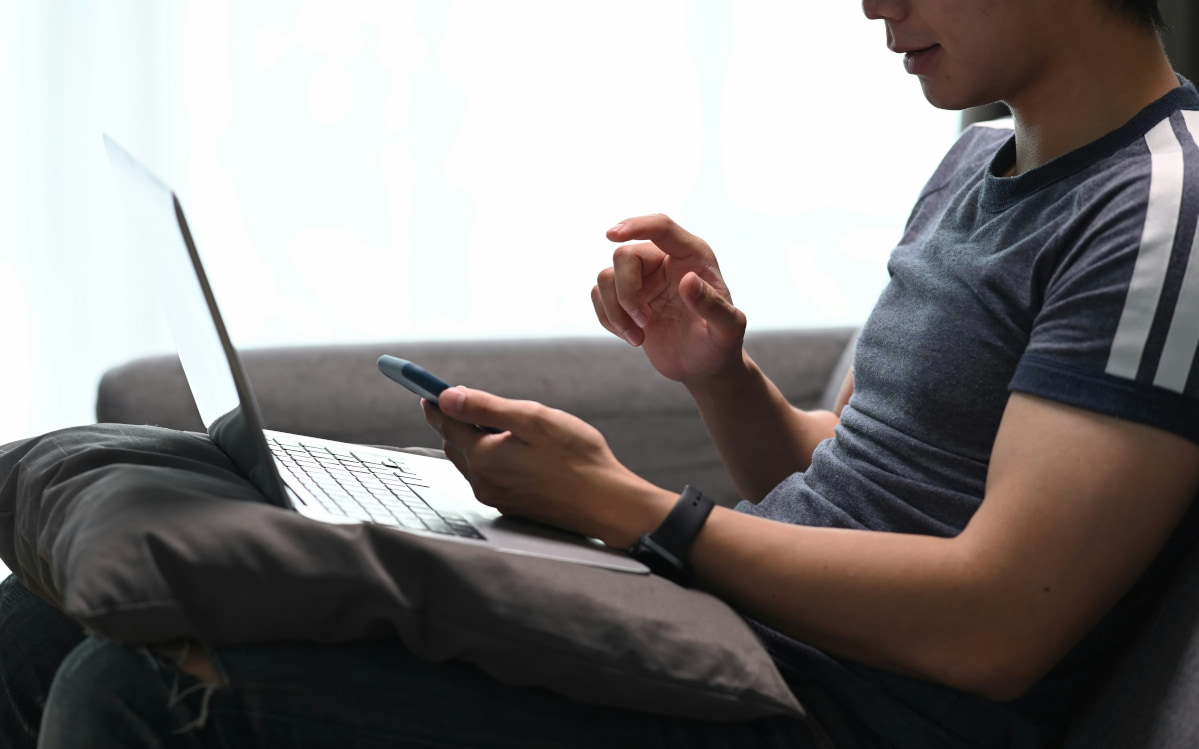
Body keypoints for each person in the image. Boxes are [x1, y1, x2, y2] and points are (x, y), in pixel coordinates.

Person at [4, 0, 1199, 746]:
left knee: (139, 692)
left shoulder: (1161, 208)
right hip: (737, 637)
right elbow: (890, 473)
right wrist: (719, 378)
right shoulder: (979, 160)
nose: (869, 2)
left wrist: (629, 510)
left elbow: (998, 622)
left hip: (829, 713)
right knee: (52, 608)